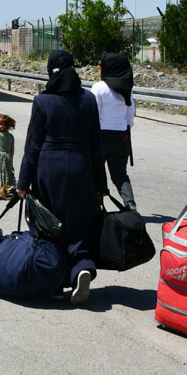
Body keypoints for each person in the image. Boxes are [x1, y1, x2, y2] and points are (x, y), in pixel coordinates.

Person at [16, 50, 108, 305]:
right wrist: (101, 185)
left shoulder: (43, 102)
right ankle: (82, 268)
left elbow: (32, 146)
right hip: (81, 170)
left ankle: (54, 283)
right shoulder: (88, 100)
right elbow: (96, 147)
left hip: (49, 171)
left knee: (50, 226)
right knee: (78, 225)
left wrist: (23, 184)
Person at [92, 52, 138, 210]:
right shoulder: (127, 89)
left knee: (95, 172)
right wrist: (124, 130)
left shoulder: (99, 88)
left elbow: (93, 114)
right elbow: (130, 114)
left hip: (100, 136)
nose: (98, 67)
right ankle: (130, 204)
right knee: (120, 175)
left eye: (100, 65)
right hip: (121, 137)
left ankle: (97, 207)